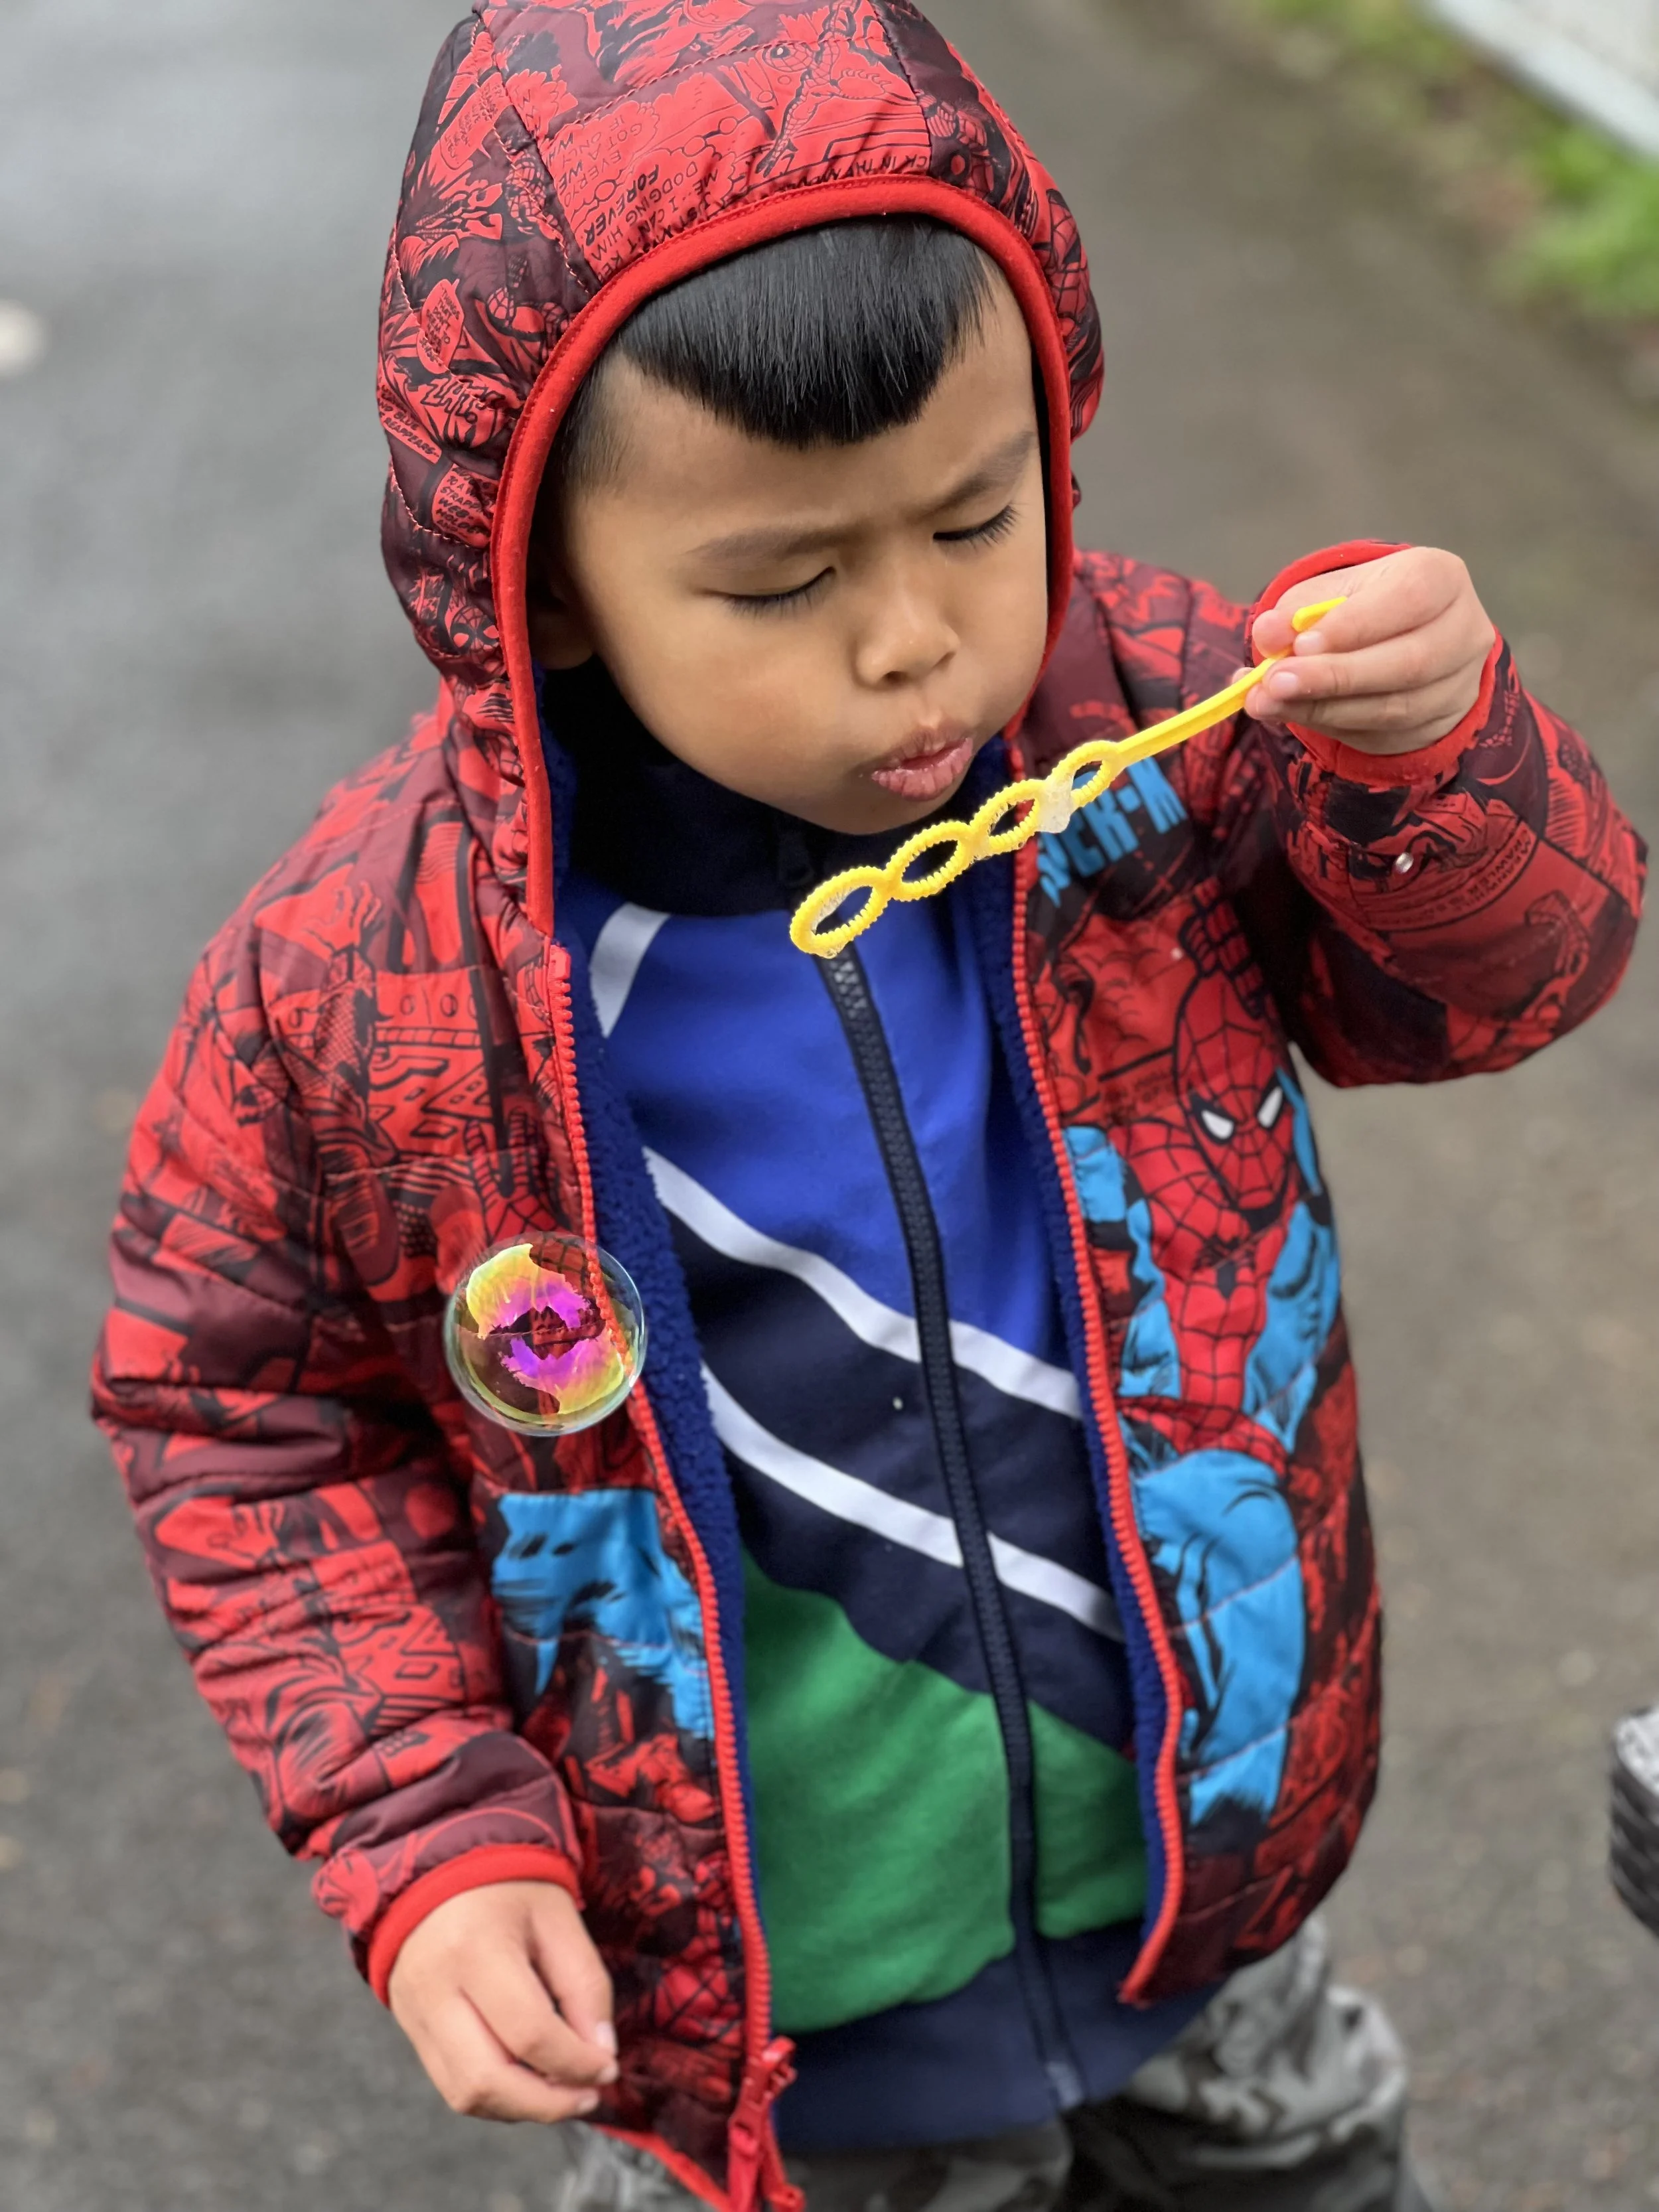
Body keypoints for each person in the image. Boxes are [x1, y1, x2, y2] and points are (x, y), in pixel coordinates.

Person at [92, 7, 1644, 2211]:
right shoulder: (362, 986)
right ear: (544, 575)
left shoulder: (1152, 733)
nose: (915, 641)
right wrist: (428, 1831)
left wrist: (1433, 754)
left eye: (974, 516)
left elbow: (1497, 986)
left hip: (1208, 1888)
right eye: (780, 580)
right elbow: (238, 1414)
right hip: (768, 2021)